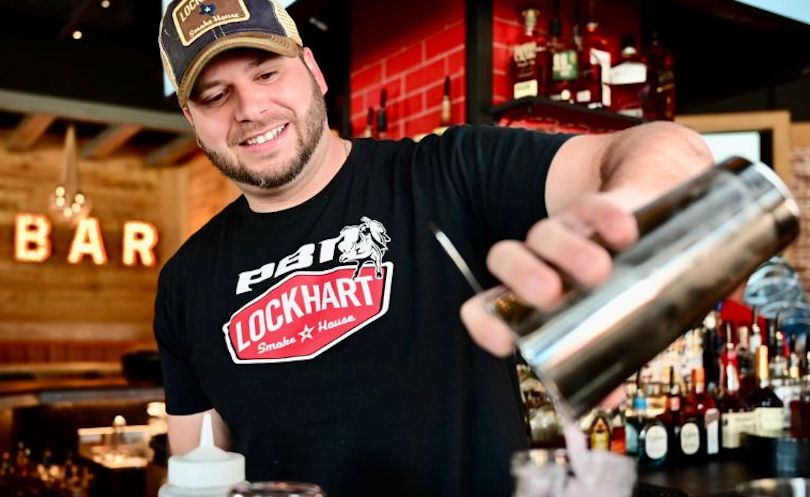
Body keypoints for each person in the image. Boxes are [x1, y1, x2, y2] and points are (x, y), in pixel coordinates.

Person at [155, 1, 713, 496]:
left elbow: (674, 152)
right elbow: (196, 465)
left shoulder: (447, 175)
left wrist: (623, 215)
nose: (249, 108)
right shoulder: (185, 280)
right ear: (193, 120)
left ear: (314, 71)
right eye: (215, 96)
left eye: (268, 72)